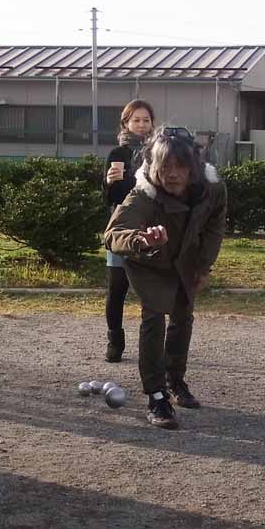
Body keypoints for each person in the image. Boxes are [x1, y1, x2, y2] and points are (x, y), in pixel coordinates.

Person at [104, 127, 227, 429]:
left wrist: (204, 266)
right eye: (165, 166)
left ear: (194, 167)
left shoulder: (212, 189)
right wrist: (140, 239)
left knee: (184, 317)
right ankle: (156, 394)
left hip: (187, 258)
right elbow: (112, 235)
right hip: (150, 261)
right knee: (154, 317)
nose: (172, 174)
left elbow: (215, 225)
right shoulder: (143, 194)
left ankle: (176, 380)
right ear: (154, 166)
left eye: (180, 166)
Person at [102, 100, 155, 362]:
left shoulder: (159, 152)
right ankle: (115, 340)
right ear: (126, 123)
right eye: (136, 120)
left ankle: (153, 344)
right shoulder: (117, 154)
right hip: (122, 227)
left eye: (146, 120)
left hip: (151, 227)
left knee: (151, 290)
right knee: (117, 288)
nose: (142, 125)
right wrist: (109, 183)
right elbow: (113, 198)